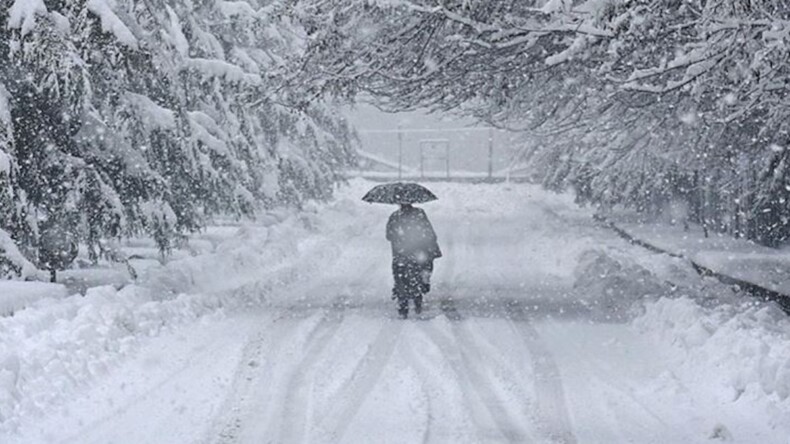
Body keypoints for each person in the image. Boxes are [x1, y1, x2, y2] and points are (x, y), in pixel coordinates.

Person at [386, 203, 441, 318]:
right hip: (418, 252)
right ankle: (418, 299)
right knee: (418, 275)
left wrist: (400, 239)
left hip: (401, 254)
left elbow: (389, 235)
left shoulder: (395, 216)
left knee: (401, 277)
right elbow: (429, 232)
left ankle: (403, 304)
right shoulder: (419, 214)